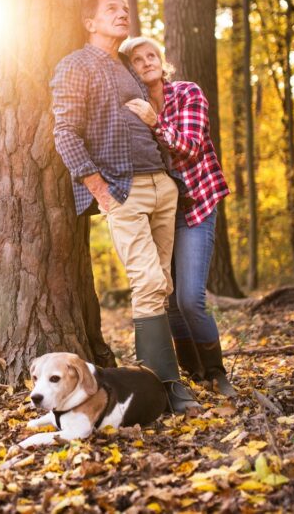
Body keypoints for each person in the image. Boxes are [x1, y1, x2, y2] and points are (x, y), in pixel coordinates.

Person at [50, 0, 200, 414]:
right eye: (112, 10)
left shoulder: (127, 67)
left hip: (162, 185)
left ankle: (158, 382)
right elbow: (65, 132)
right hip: (122, 189)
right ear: (90, 23)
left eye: (125, 9)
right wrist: (99, 189)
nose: (122, 14)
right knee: (148, 282)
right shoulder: (74, 65)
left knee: (163, 285)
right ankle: (167, 387)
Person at [120, 35, 236, 396]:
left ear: (162, 61)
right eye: (138, 59)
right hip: (159, 211)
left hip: (196, 204)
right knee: (167, 298)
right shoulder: (129, 105)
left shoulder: (187, 92)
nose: (147, 62)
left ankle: (217, 372)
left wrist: (155, 123)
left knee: (189, 299)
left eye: (152, 55)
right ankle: (194, 371)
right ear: (130, 70)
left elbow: (191, 148)